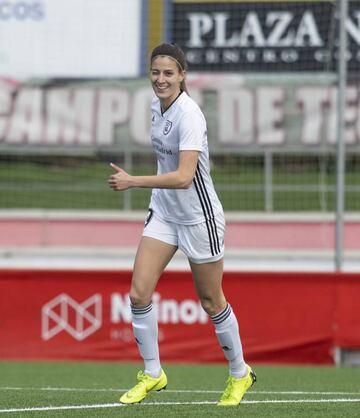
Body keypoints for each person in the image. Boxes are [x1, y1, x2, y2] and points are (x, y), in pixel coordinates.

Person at [108, 42, 256, 407]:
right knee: (138, 293)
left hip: (198, 217)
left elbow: (185, 176)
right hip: (164, 213)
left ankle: (240, 374)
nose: (161, 79)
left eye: (168, 73)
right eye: (156, 73)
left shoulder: (190, 115)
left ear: (182, 76)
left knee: (211, 300)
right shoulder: (156, 107)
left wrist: (132, 181)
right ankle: (153, 373)